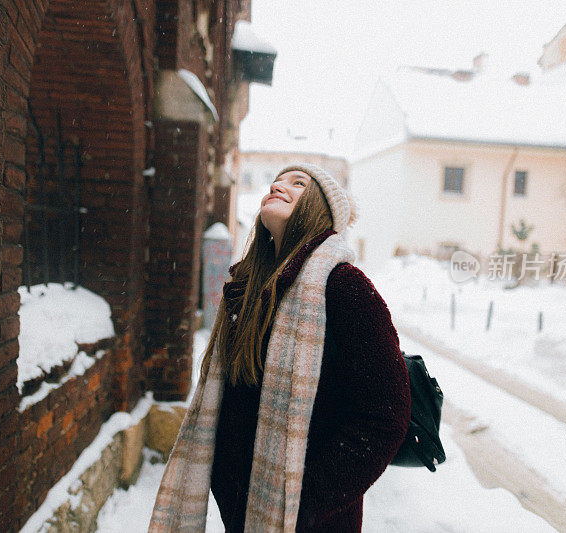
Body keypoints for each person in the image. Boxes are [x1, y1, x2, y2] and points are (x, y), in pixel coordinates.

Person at [149, 163, 411, 532]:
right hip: (242, 516)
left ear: (321, 210)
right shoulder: (246, 288)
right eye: (275, 180)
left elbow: (386, 416)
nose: (277, 185)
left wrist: (305, 501)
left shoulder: (344, 288)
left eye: (298, 183)